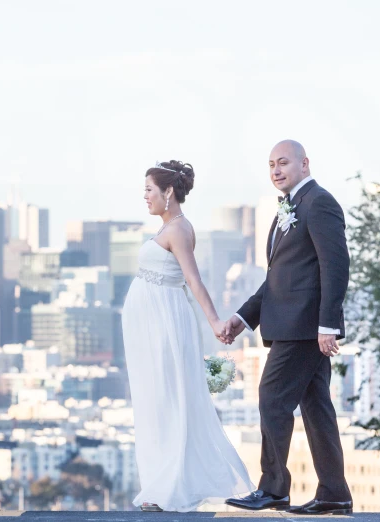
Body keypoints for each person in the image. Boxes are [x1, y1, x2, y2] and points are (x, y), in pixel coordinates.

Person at [223, 140, 353, 515]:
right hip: (294, 325)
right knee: (316, 408)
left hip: (306, 328)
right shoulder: (291, 208)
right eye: (271, 165)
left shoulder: (319, 202)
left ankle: (274, 488)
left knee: (272, 397)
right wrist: (244, 317)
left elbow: (335, 266)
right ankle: (334, 494)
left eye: (283, 163)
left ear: (305, 164)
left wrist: (328, 324)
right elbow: (278, 278)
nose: (276, 170)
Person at [122, 160, 254, 512]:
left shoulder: (178, 230)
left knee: (167, 401)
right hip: (151, 325)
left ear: (168, 192)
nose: (145, 197)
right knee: (155, 401)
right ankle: (159, 484)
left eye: (149, 190)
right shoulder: (170, 227)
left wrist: (214, 322)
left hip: (164, 326)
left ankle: (166, 488)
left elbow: (193, 280)